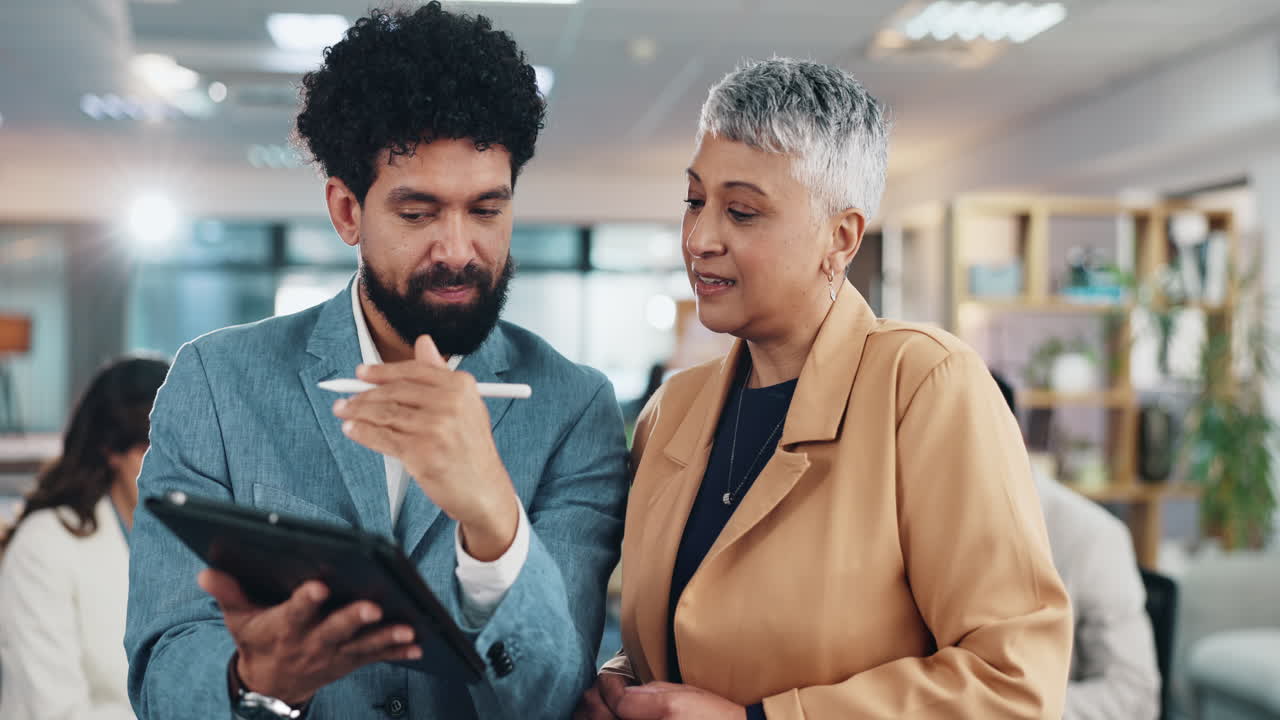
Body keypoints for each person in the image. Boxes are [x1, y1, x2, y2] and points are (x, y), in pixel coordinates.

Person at [124, 4, 629, 719]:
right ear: (346, 211)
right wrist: (256, 680)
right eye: (419, 214)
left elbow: (550, 694)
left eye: (486, 210)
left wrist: (493, 516)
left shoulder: (574, 408)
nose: (458, 250)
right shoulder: (215, 383)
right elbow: (159, 677)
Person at [576, 58, 1072, 720]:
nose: (699, 238)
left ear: (840, 238)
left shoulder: (924, 385)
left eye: (742, 212)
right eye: (695, 201)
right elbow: (669, 636)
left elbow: (1013, 682)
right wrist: (620, 687)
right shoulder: (673, 410)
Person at [0, 356, 169, 720]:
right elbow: (52, 712)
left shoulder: (191, 546)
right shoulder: (44, 546)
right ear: (111, 451)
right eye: (152, 452)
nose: (173, 473)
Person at [992, 372, 1161, 720]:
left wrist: (1009, 711)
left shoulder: (1092, 537)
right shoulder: (914, 523)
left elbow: (1134, 693)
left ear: (1012, 440)